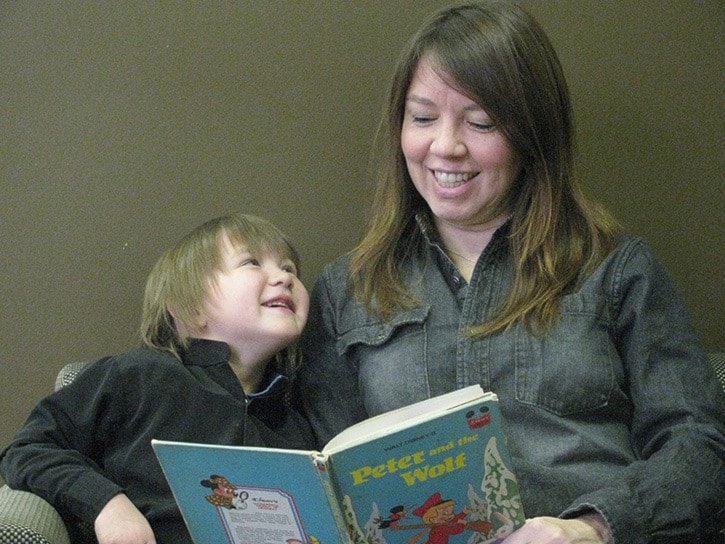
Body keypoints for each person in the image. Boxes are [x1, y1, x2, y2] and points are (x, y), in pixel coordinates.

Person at [298, 2, 725, 543]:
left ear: (532, 134)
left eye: (481, 122)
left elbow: (701, 446)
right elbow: (321, 473)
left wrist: (591, 529)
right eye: (423, 117)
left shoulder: (616, 269)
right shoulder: (347, 290)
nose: (445, 146)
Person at [0, 213, 314, 544]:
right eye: (252, 262)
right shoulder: (138, 376)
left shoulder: (295, 425)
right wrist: (108, 504)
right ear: (189, 308)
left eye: (289, 268)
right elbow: (29, 448)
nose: (283, 277)